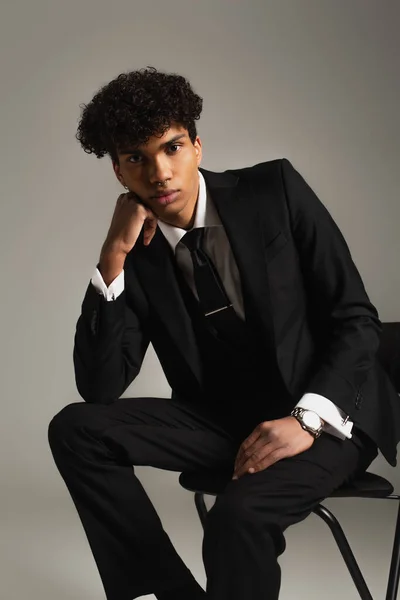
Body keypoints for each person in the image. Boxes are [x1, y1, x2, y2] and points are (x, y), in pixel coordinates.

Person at [48, 66, 400, 600]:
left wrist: (304, 418)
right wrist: (112, 256)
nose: (159, 173)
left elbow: (355, 317)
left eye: (171, 148)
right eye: (136, 159)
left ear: (196, 145)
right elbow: (100, 387)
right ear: (119, 173)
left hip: (329, 411)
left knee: (238, 516)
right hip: (221, 418)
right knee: (76, 428)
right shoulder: (135, 253)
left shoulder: (273, 191)